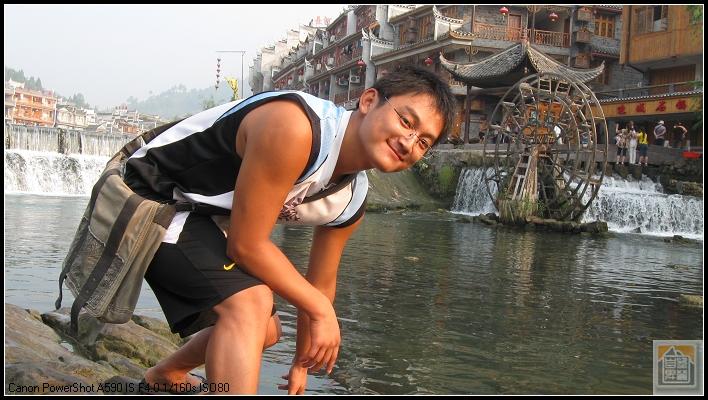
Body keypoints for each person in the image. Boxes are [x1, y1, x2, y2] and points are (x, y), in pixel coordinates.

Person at [122, 65, 456, 394]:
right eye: (406, 121)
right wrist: (321, 310)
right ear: (369, 101)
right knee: (250, 305)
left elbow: (320, 285)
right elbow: (246, 245)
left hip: (202, 216)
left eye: (424, 142)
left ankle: (166, 373)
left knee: (267, 329)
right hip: (149, 195)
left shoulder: (351, 198)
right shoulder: (297, 127)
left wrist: (301, 363)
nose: (409, 142)